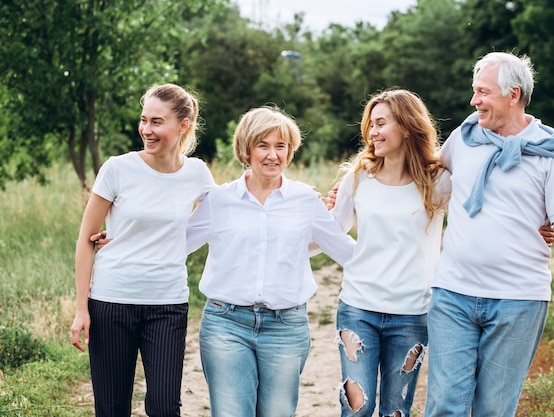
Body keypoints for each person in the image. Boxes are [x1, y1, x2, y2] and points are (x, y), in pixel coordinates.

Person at [424, 52, 554, 417]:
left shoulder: (551, 152)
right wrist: (355, 187)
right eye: (474, 91)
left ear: (513, 95)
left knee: (494, 410)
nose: (473, 101)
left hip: (518, 301)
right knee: (443, 406)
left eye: (482, 92)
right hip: (453, 294)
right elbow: (425, 183)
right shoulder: (464, 137)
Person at [185, 106, 357, 417]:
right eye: (263, 145)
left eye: (281, 146)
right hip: (226, 323)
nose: (272, 155)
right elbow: (174, 245)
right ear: (246, 149)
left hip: (286, 327)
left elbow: (347, 251)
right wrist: (121, 240)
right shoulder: (219, 201)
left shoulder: (305, 200)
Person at [70, 83, 216, 417]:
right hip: (111, 302)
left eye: (156, 122)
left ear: (183, 126)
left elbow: (230, 211)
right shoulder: (118, 168)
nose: (146, 130)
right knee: (112, 407)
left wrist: (297, 194)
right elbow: (85, 239)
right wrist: (82, 308)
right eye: (143, 120)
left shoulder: (197, 173)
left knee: (165, 407)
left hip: (167, 304)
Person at [328, 89, 450, 416]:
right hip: (358, 309)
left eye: (381, 123)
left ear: (407, 127)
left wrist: (537, 228)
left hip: (412, 313)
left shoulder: (438, 181)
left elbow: (481, 216)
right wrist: (300, 215)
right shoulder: (358, 177)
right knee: (357, 408)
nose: (372, 132)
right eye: (370, 124)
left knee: (395, 411)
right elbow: (330, 233)